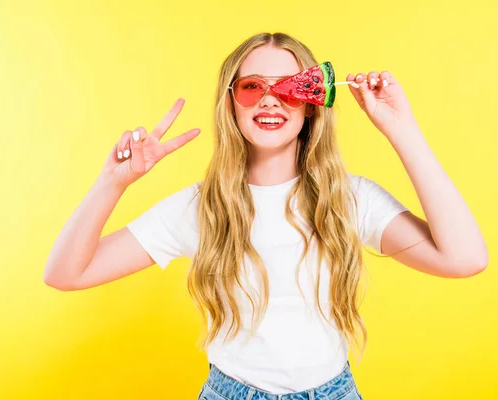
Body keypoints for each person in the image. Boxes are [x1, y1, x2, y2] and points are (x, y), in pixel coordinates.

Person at [43, 32, 488, 400]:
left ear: (313, 102)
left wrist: (401, 129)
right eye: (253, 87)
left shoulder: (349, 199)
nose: (271, 101)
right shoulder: (202, 207)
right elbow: (66, 273)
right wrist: (113, 182)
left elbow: (465, 258)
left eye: (291, 87)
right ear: (232, 103)